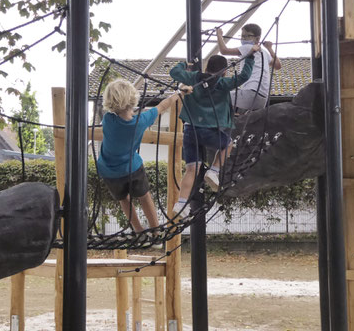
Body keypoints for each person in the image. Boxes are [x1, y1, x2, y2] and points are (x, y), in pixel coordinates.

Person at [169, 49, 259, 216]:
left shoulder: (194, 78)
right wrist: (250, 57)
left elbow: (173, 72)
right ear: (224, 71)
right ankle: (214, 170)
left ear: (206, 67)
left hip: (190, 130)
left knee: (192, 169)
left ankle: (180, 204)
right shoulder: (223, 83)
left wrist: (185, 65)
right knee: (228, 144)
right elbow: (244, 76)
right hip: (209, 130)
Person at [97, 78, 193, 235]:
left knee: (124, 199)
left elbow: (117, 116)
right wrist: (180, 92)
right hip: (131, 168)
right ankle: (155, 230)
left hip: (108, 171)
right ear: (133, 100)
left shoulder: (108, 120)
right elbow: (163, 105)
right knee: (144, 196)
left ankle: (139, 230)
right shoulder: (141, 121)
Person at [216, 24, 281, 113]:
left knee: (217, 96)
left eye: (247, 36)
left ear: (257, 39)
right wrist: (270, 49)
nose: (243, 38)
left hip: (251, 92)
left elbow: (224, 51)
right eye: (242, 36)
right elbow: (277, 65)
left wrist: (219, 35)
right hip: (262, 98)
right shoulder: (264, 52)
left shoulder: (248, 47)